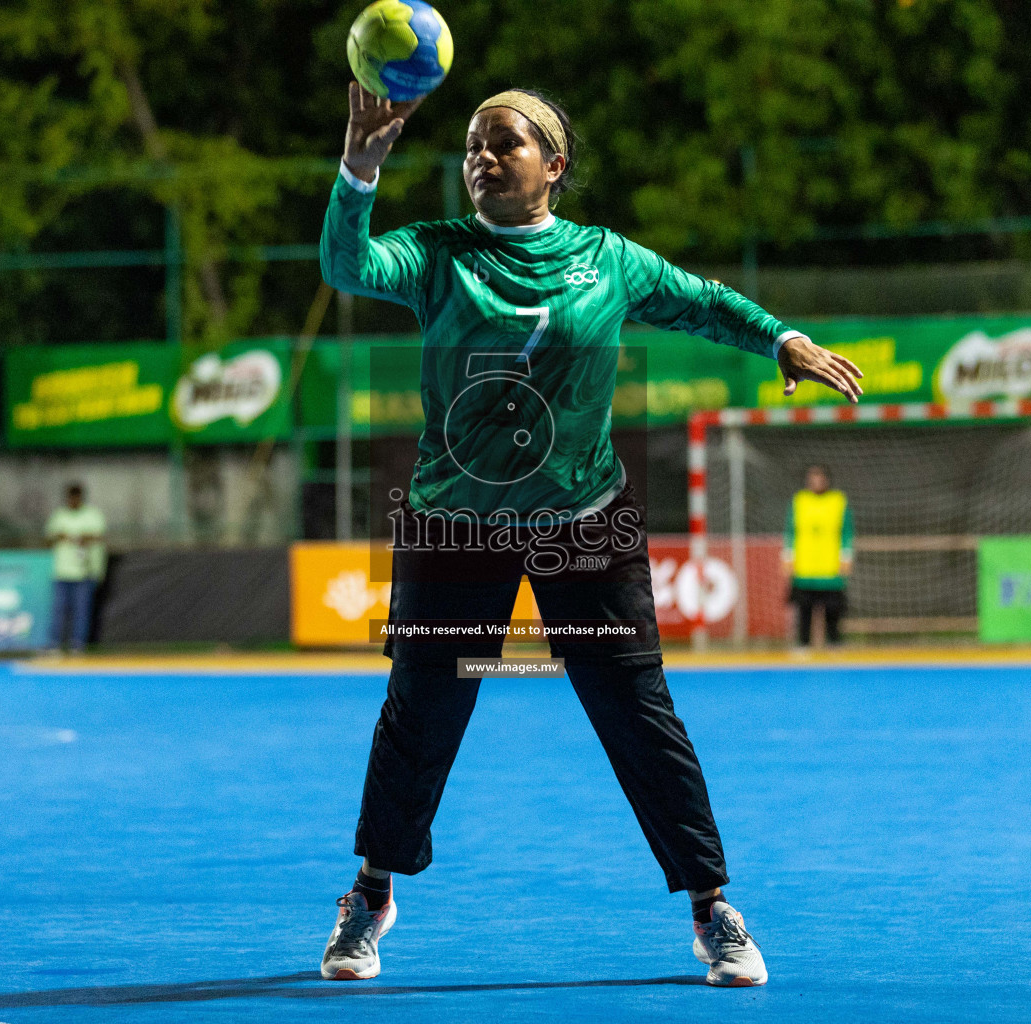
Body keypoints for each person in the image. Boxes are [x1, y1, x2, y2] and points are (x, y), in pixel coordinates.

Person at [316, 83, 864, 987]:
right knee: (424, 712)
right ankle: (369, 896)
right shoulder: (437, 254)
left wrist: (780, 339)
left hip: (584, 524)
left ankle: (711, 905)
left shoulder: (605, 260)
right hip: (457, 526)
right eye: (471, 147)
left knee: (636, 714)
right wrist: (358, 170)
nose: (482, 159)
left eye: (504, 144)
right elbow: (347, 266)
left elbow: (703, 301)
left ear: (554, 166)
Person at [783, 465, 854, 648]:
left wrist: (846, 556)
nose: (816, 482)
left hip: (830, 566)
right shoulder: (799, 501)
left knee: (833, 608)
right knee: (804, 608)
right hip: (805, 566)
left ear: (827, 480)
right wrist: (788, 556)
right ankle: (803, 643)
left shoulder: (838, 501)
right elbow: (791, 531)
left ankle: (835, 643)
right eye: (812, 478)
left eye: (820, 478)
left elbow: (847, 532)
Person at [45, 482, 106, 653]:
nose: (73, 501)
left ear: (81, 498)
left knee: (81, 611)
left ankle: (77, 645)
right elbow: (49, 538)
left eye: (76, 498)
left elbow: (99, 536)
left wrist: (80, 537)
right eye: (70, 498)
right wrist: (61, 536)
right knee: (58, 610)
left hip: (83, 572)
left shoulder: (92, 515)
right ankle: (54, 644)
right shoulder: (60, 515)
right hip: (62, 572)